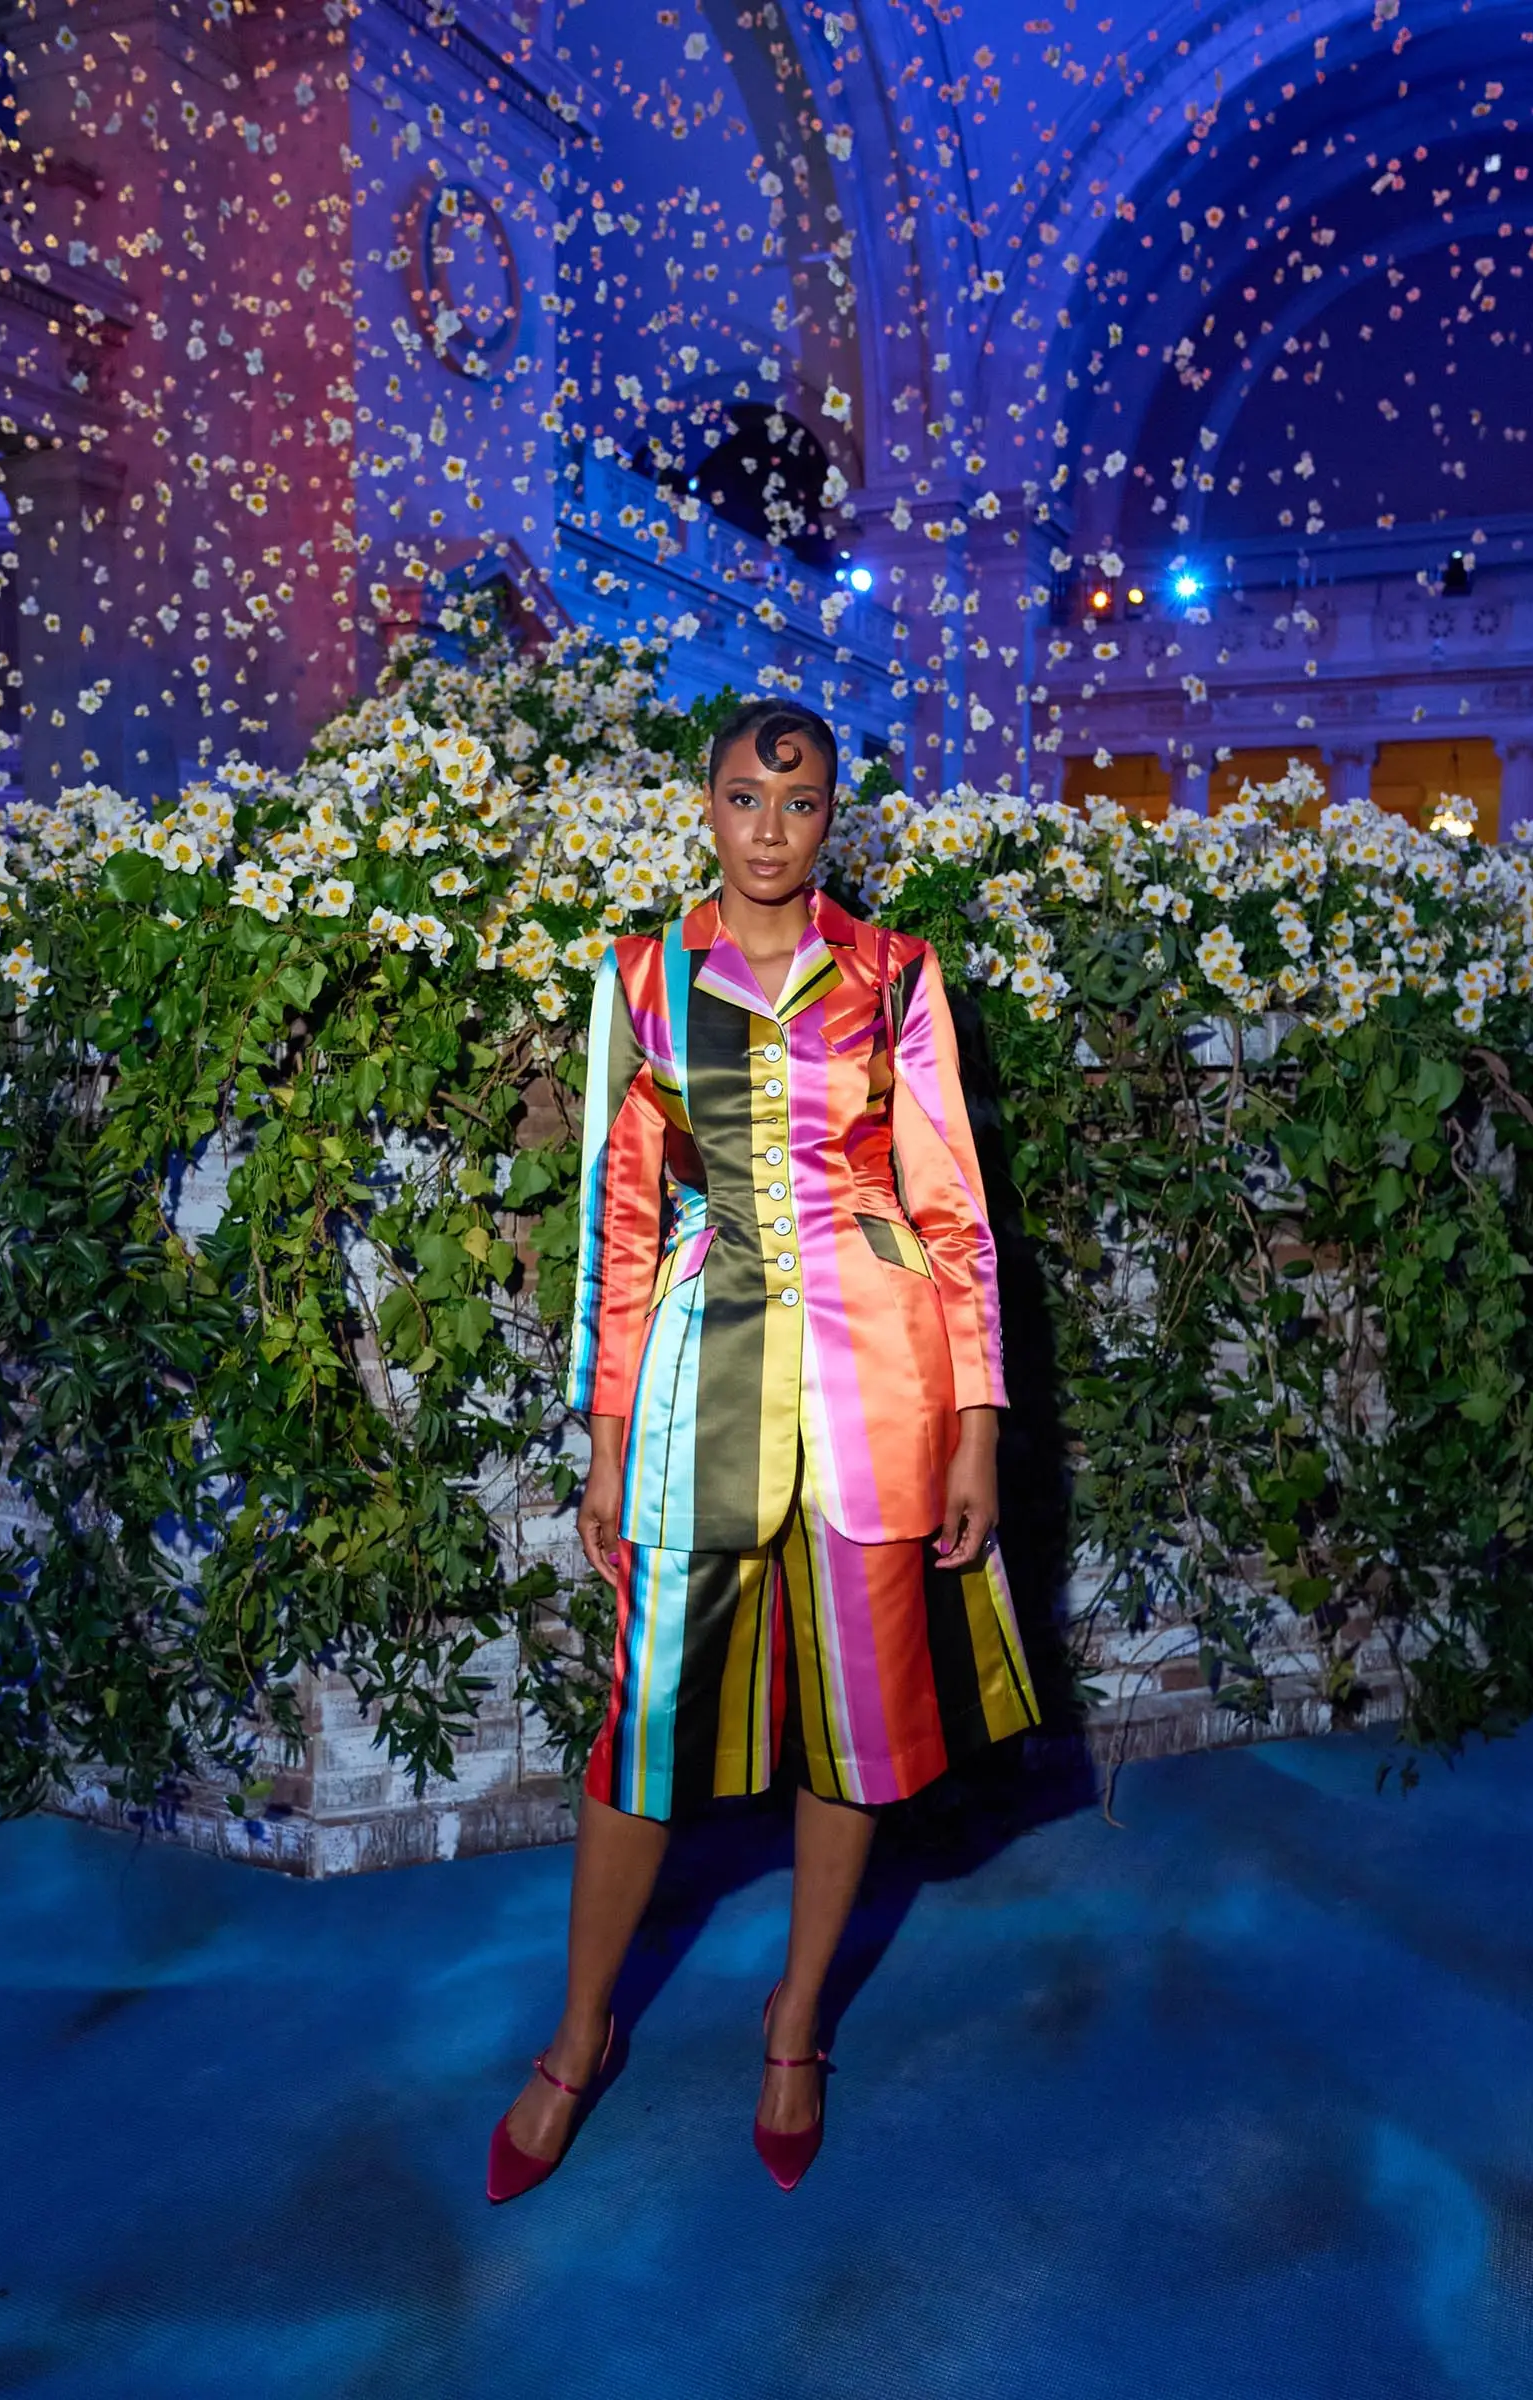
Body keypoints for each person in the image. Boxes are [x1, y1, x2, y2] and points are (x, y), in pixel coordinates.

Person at [488, 698, 1037, 2203]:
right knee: (643, 1724)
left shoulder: (898, 973)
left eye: (799, 804)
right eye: (744, 798)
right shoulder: (642, 978)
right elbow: (618, 1228)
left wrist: (978, 1427)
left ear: (832, 816)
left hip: (879, 1395)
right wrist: (606, 1441)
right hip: (698, 1389)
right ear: (708, 805)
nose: (771, 829)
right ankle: (580, 2035)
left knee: (856, 1726)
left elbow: (953, 1215)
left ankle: (796, 2026)